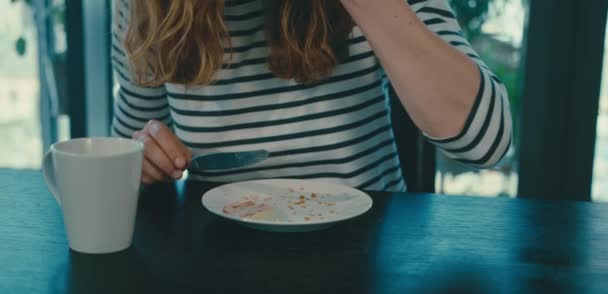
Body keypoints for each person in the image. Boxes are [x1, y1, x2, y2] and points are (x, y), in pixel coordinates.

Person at [111, 0, 512, 191]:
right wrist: (142, 159)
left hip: (366, 258)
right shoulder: (145, 7)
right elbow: (123, 165)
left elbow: (486, 142)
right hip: (215, 258)